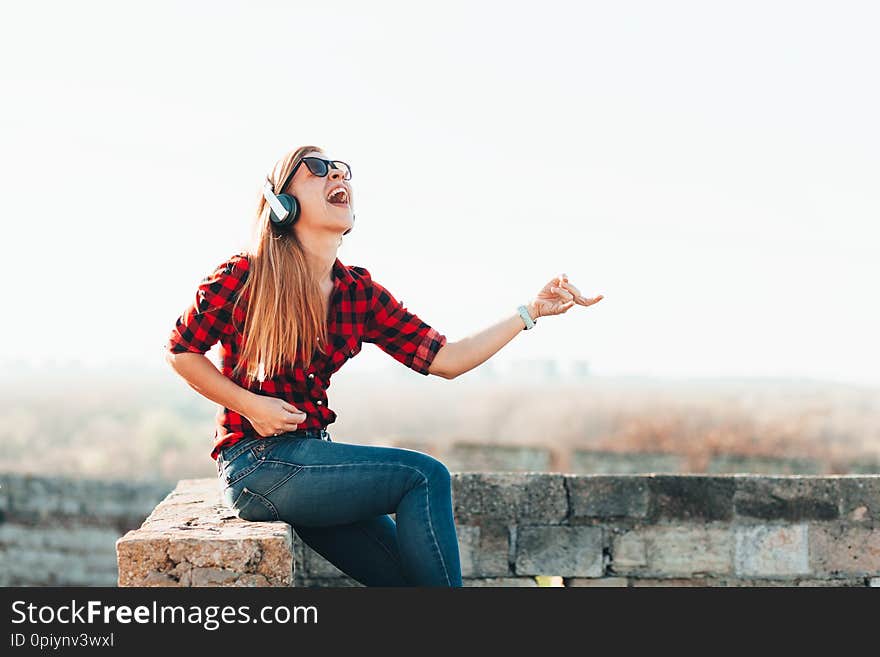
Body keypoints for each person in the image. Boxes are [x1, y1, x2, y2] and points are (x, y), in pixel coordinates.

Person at [164, 145, 604, 587]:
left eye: (342, 171)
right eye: (318, 170)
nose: (337, 176)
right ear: (282, 202)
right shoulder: (246, 275)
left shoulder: (359, 293)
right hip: (256, 465)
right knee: (423, 475)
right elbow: (181, 351)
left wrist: (530, 312)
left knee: (410, 581)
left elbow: (447, 359)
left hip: (314, 461)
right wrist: (251, 405)